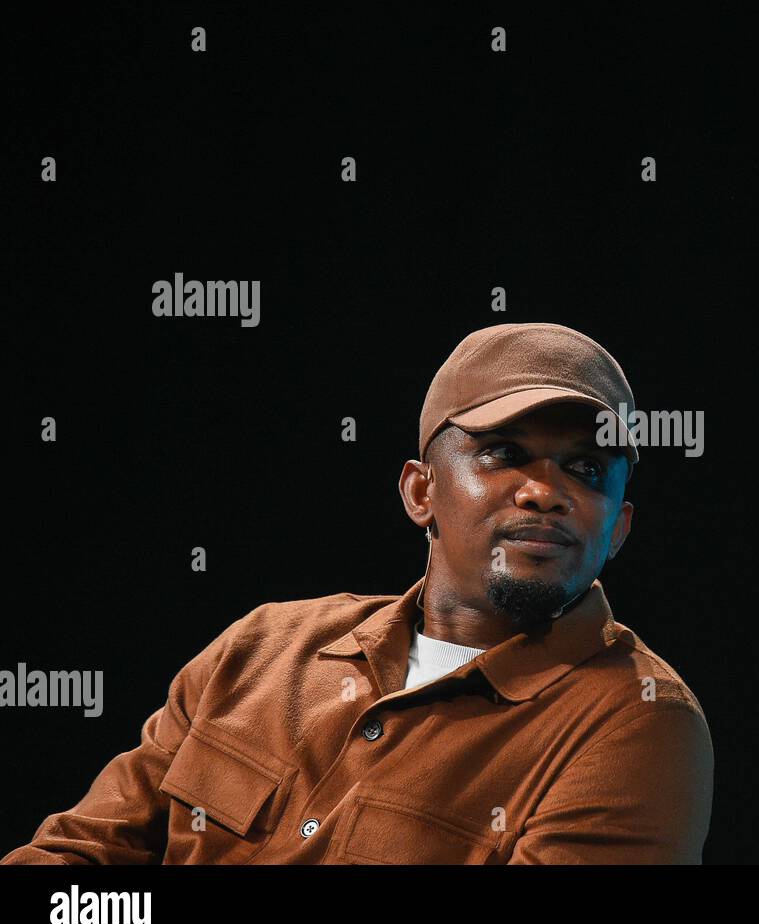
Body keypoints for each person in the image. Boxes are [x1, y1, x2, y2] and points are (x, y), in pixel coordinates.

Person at [2, 322, 713, 864]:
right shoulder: (263, 646)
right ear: (420, 490)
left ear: (618, 527)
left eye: (586, 469)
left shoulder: (639, 722)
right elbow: (76, 862)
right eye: (505, 452)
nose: (545, 491)